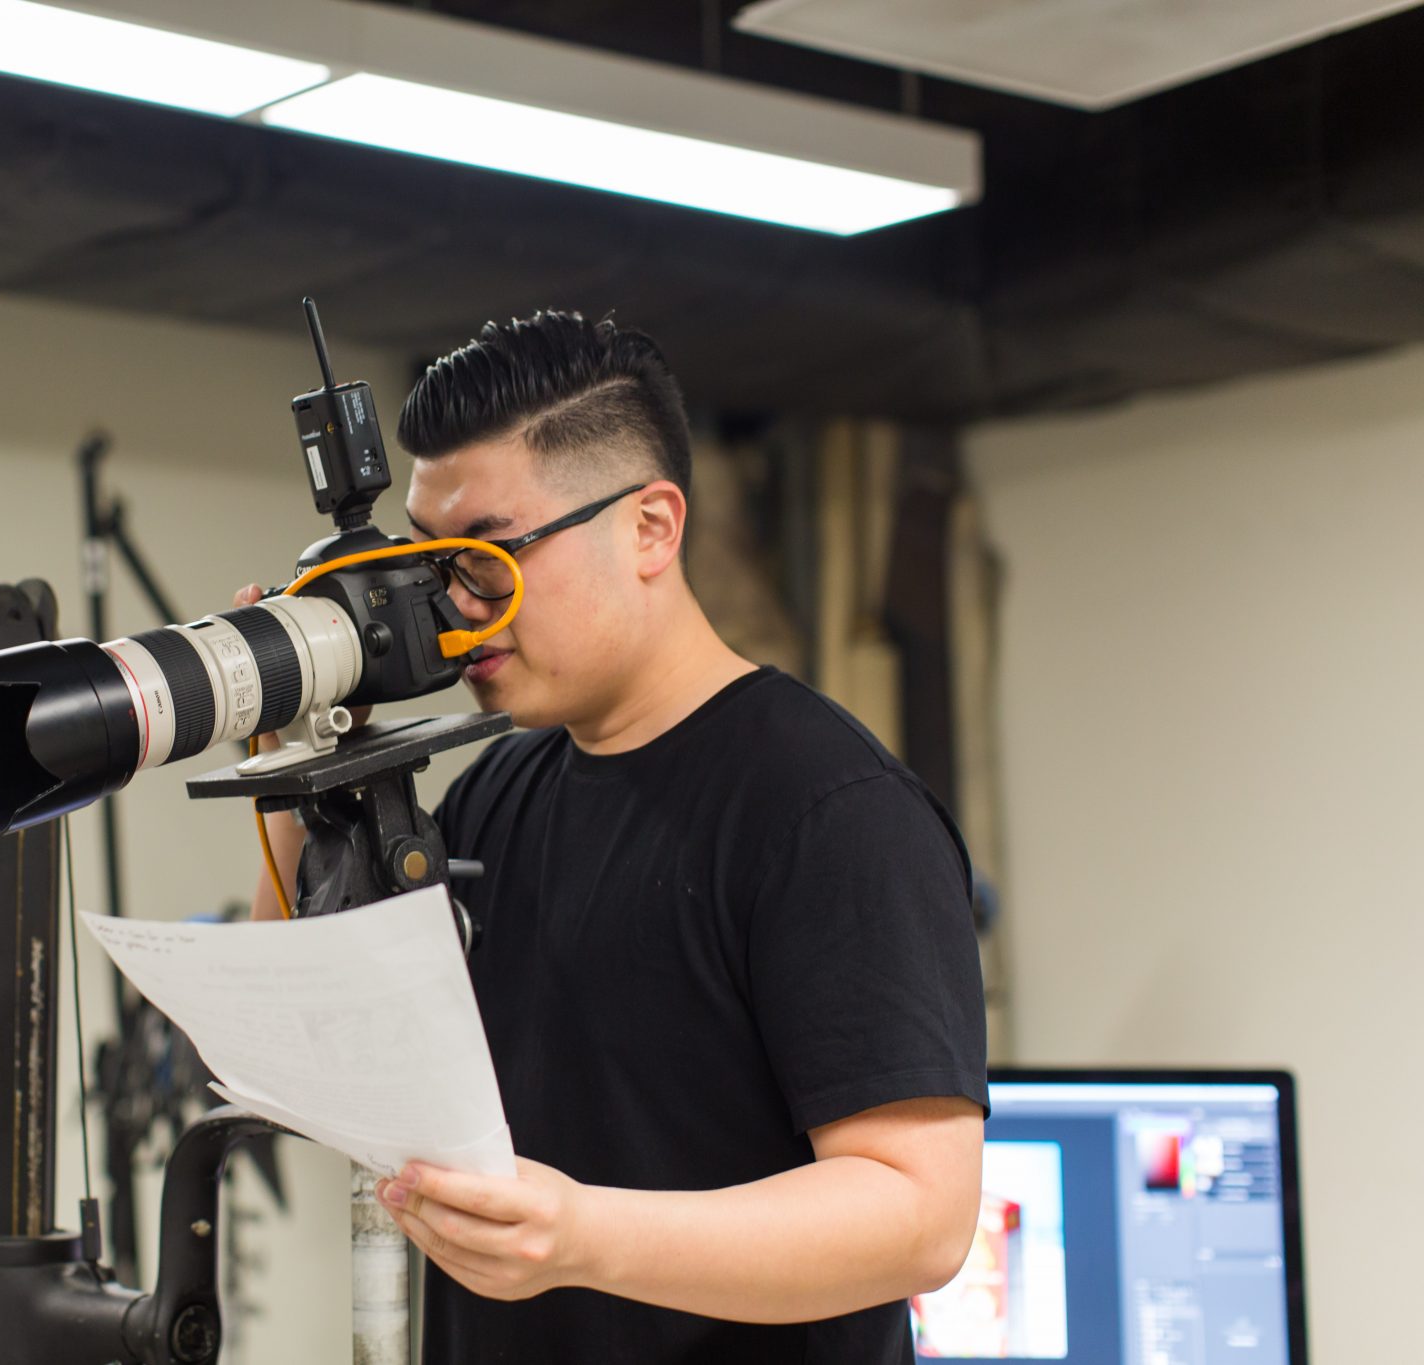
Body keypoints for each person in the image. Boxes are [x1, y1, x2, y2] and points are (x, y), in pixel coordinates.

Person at [236, 310, 986, 1364]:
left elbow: (917, 1216)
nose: (456, 611)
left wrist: (585, 1239)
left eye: (488, 557)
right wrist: (288, 750)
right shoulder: (498, 791)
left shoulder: (828, 811)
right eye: (429, 565)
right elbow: (307, 1053)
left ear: (650, 527)